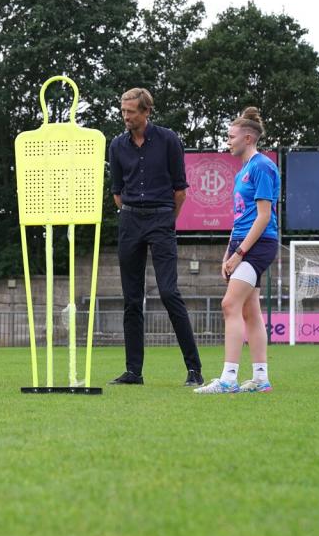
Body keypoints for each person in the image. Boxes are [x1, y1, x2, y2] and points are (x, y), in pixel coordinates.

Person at [107, 88, 204, 386]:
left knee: (168, 292)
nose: (125, 117)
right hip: (130, 219)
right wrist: (132, 214)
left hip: (162, 217)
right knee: (131, 299)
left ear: (146, 112)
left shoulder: (168, 140)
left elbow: (180, 191)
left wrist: (165, 220)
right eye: (123, 111)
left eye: (131, 111)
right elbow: (117, 193)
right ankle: (133, 372)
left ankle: (194, 370)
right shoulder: (117, 145)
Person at [195, 107, 279, 394]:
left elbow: (264, 216)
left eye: (231, 136)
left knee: (229, 305)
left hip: (259, 244)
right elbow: (240, 217)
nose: (227, 141)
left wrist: (240, 253)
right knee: (249, 311)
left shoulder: (262, 166)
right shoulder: (243, 171)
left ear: (247, 137)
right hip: (242, 245)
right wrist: (227, 253)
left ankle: (228, 379)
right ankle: (260, 379)